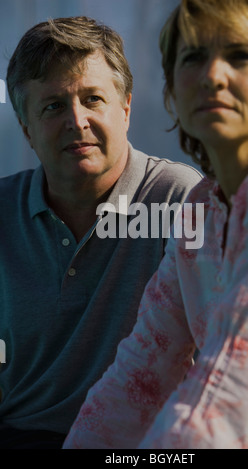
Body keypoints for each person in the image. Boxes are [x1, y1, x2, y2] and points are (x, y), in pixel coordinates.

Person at [63, 0, 248, 450]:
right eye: (193, 57)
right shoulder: (200, 205)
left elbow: (232, 372)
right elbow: (143, 369)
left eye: (240, 55)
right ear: (172, 90)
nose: (213, 75)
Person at [0, 16, 202, 449]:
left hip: (145, 445)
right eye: (53, 106)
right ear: (26, 129)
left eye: (93, 99)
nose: (77, 120)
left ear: (126, 108)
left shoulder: (181, 199)